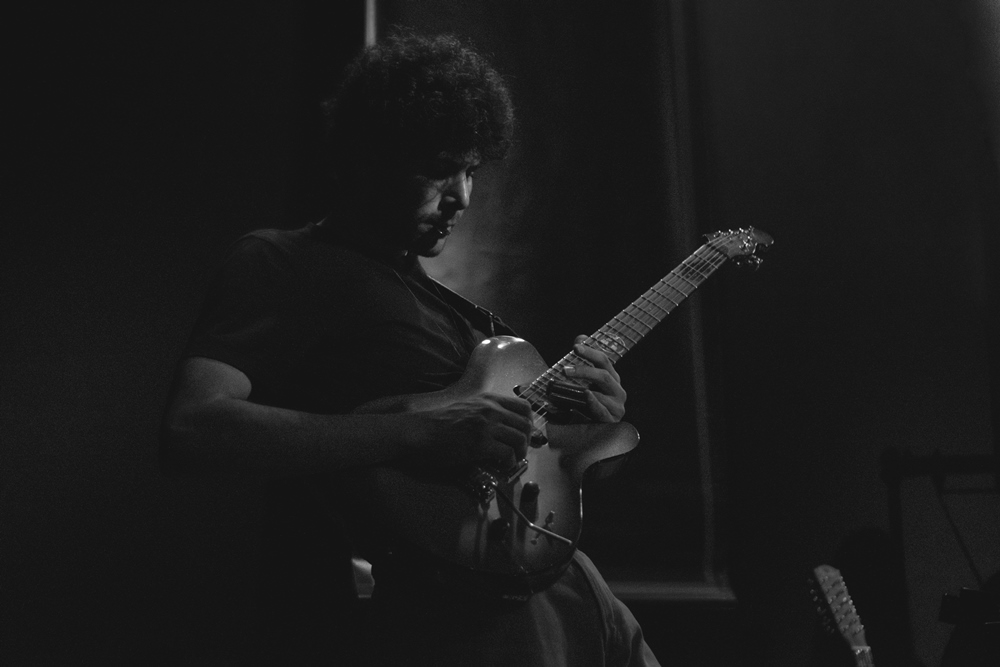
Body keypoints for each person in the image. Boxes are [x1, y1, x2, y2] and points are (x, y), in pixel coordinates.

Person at [161, 31, 659, 666]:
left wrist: (590, 433)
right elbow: (194, 427)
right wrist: (417, 432)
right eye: (440, 168)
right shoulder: (280, 262)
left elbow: (523, 468)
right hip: (456, 618)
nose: (462, 198)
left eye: (471, 171)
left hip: (574, 593)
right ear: (370, 157)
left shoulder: (452, 310)